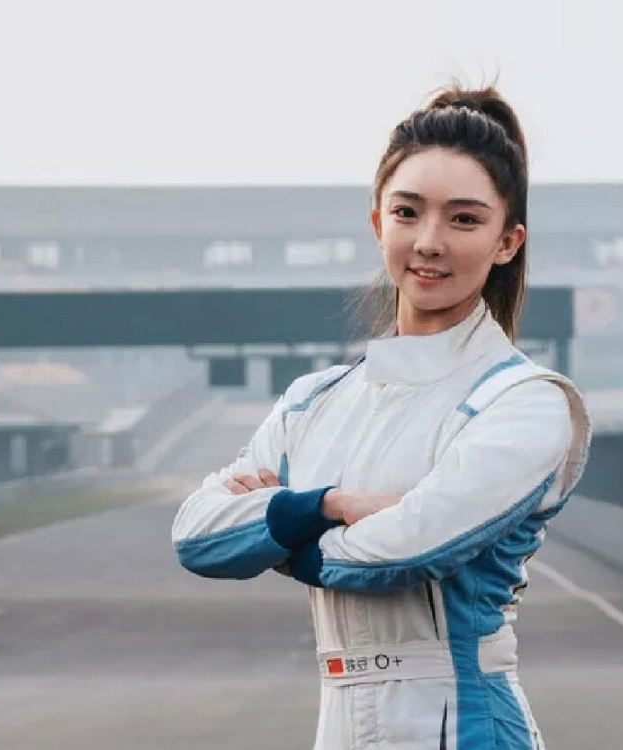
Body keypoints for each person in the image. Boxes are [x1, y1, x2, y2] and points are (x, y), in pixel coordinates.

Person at [172, 84, 592, 750]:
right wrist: (328, 505)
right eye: (407, 212)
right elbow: (197, 536)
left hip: (467, 723)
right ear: (378, 224)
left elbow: (409, 549)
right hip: (339, 722)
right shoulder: (313, 400)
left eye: (463, 219)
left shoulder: (528, 400)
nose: (429, 242)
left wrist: (276, 536)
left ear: (507, 242)